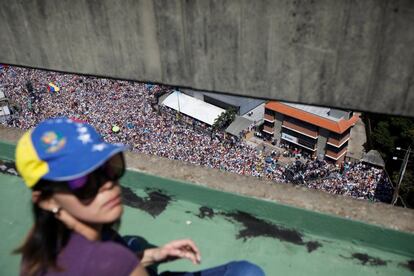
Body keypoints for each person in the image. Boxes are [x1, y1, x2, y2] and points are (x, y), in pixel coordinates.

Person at [14, 117, 265, 276]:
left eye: (107, 167)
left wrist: (157, 255)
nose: (107, 185)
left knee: (134, 243)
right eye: (82, 181)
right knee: (247, 272)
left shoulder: (40, 243)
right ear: (46, 200)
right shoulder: (110, 260)